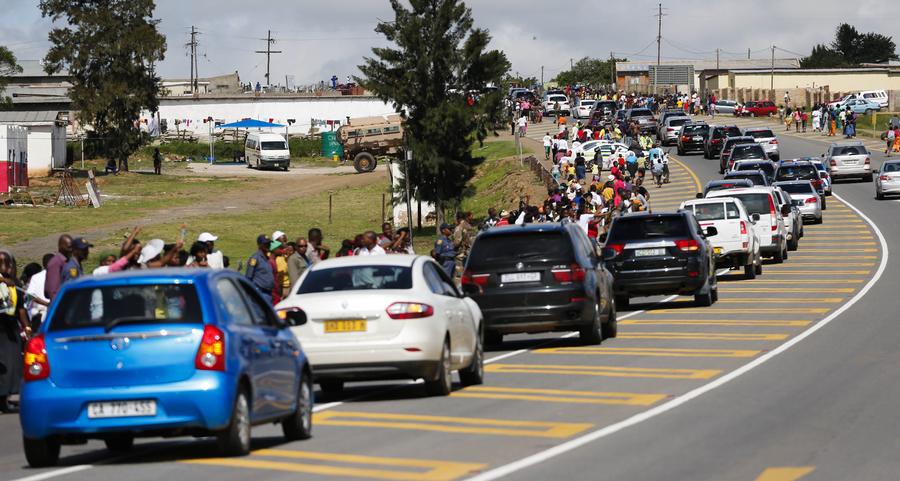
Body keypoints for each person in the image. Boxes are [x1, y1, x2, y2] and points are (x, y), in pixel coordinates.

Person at [0, 251, 28, 413]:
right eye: (2, 263)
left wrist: (27, 327)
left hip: (11, 326)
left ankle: (6, 397)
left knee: (13, 364)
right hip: (1, 328)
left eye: (8, 263)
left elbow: (21, 308)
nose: (6, 267)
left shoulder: (14, 284)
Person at [245, 235, 275, 304]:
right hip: (259, 292)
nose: (268, 245)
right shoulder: (255, 258)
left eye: (269, 244)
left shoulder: (267, 258)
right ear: (260, 245)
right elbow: (248, 276)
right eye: (266, 244)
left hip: (268, 293)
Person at [44, 234, 72, 301]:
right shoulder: (56, 263)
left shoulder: (67, 261)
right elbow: (53, 291)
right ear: (60, 246)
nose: (71, 249)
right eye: (69, 247)